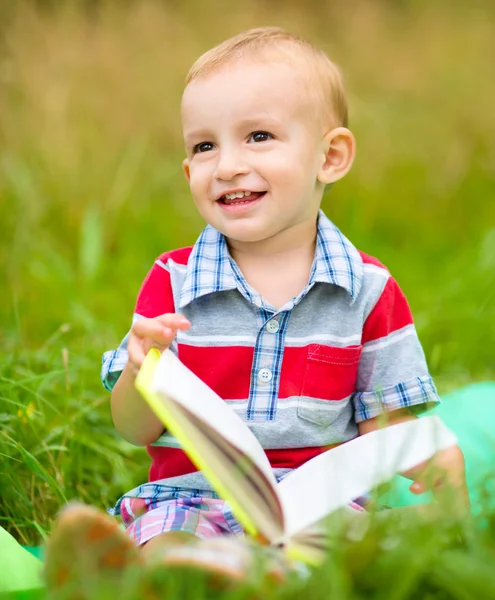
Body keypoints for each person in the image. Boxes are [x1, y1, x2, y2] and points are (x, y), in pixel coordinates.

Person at [45, 26, 468, 594]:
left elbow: (382, 425)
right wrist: (140, 370)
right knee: (171, 540)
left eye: (259, 136)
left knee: (346, 549)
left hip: (319, 505)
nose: (226, 165)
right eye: (204, 146)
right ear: (188, 170)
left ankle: (250, 573)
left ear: (331, 156)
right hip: (191, 495)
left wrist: (426, 455)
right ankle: (150, 572)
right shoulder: (174, 282)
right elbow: (133, 428)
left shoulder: (367, 291)